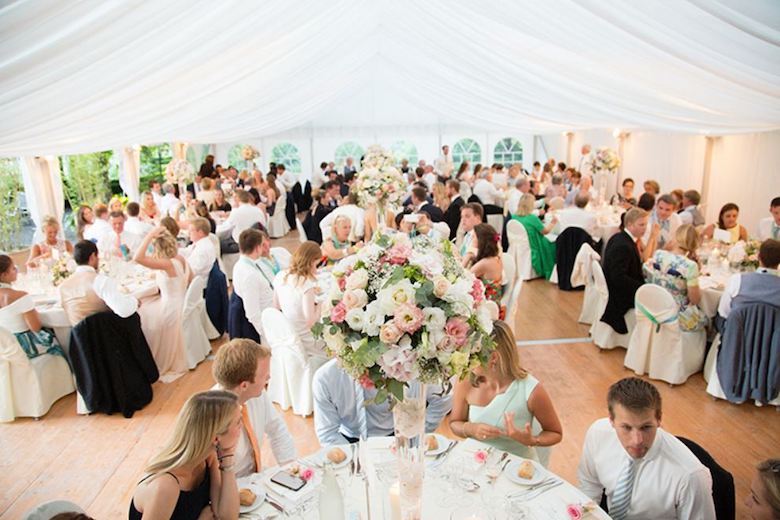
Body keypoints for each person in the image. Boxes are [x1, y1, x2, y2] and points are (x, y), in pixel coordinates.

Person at [578, 377, 715, 519]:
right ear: (611, 420)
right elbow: (589, 485)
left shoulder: (691, 476)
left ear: (659, 419)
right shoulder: (598, 433)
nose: (637, 440)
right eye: (626, 427)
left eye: (646, 427)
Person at [449, 321, 562, 459]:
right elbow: (455, 423)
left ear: (494, 358)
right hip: (475, 463)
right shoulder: (465, 380)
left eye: (472, 355)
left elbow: (555, 433)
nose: (466, 360)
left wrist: (533, 440)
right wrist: (470, 429)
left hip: (516, 469)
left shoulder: (532, 390)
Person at [128, 390, 240, 519]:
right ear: (215, 438)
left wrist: (228, 458)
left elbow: (228, 516)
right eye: (237, 422)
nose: (240, 428)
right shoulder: (165, 486)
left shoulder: (208, 457)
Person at [313, 358, 453, 445]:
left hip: (399, 436)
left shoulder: (412, 368)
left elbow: (444, 397)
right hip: (349, 440)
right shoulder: (326, 378)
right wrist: (354, 458)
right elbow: (328, 434)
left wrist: (417, 433)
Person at [211, 338, 295, 477]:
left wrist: (290, 467)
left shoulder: (257, 394)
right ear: (244, 385)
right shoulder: (211, 416)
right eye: (264, 376)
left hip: (256, 475)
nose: (269, 376)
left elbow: (277, 429)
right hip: (229, 484)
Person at [134, 227, 192, 379]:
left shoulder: (166, 264)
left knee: (142, 313)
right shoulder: (180, 259)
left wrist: (149, 235)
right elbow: (190, 278)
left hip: (171, 309)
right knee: (145, 303)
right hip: (181, 302)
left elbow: (137, 258)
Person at [643, 224, 708, 331]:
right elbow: (695, 299)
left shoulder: (658, 254)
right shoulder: (690, 266)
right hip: (676, 315)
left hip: (655, 307)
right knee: (707, 320)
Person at [58, 240, 138, 326]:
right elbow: (123, 310)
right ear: (92, 256)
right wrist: (135, 301)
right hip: (107, 335)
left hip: (80, 337)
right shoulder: (100, 281)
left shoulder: (62, 287)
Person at [0, 255, 66, 359]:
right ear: (4, 275)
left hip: (6, 348)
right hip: (26, 347)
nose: (16, 270)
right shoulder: (20, 296)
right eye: (13, 268)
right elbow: (35, 327)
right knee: (58, 343)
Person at [273, 241, 327, 359]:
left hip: (290, 337)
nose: (316, 270)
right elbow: (311, 323)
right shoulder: (306, 285)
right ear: (311, 262)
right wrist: (320, 305)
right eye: (316, 265)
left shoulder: (280, 276)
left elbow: (276, 308)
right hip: (308, 341)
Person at [600, 208, 648, 335]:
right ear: (630, 225)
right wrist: (643, 288)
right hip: (619, 294)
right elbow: (618, 278)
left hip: (615, 285)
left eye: (646, 224)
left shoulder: (619, 237)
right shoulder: (624, 246)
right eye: (641, 224)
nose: (645, 228)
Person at [718, 239, 780, 319]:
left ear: (758, 257)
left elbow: (724, 312)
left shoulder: (737, 280)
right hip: (772, 331)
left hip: (737, 330)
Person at [231, 229, 275, 340]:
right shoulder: (249, 275)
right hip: (265, 323)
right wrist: (268, 334)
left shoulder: (247, 264)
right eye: (262, 245)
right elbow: (252, 313)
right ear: (257, 248)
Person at [511, 194, 557, 280]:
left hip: (519, 244)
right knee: (553, 243)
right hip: (534, 244)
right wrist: (553, 223)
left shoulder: (514, 217)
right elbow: (545, 231)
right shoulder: (532, 218)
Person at [469, 224, 506, 319]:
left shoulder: (485, 263)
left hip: (487, 309)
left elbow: (464, 276)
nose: (472, 238)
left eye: (474, 237)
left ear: (481, 240)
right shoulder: (496, 258)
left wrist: (467, 257)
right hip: (494, 302)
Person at [216, 190, 267, 254]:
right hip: (257, 241)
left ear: (237, 199)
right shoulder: (258, 210)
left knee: (216, 243)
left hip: (240, 244)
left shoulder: (236, 212)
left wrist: (213, 228)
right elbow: (263, 226)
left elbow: (225, 228)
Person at [179, 217, 217, 282]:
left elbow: (193, 271)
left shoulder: (203, 249)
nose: (188, 233)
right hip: (191, 275)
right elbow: (187, 251)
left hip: (195, 282)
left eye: (191, 231)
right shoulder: (199, 243)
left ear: (200, 232)